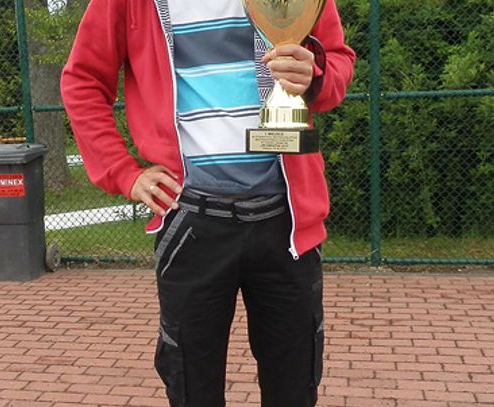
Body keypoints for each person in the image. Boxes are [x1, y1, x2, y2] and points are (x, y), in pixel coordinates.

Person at [61, 0, 355, 406]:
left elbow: (338, 61)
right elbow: (82, 79)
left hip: (288, 224)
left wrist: (315, 76)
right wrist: (121, 171)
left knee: (294, 388)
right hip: (191, 222)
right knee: (192, 389)